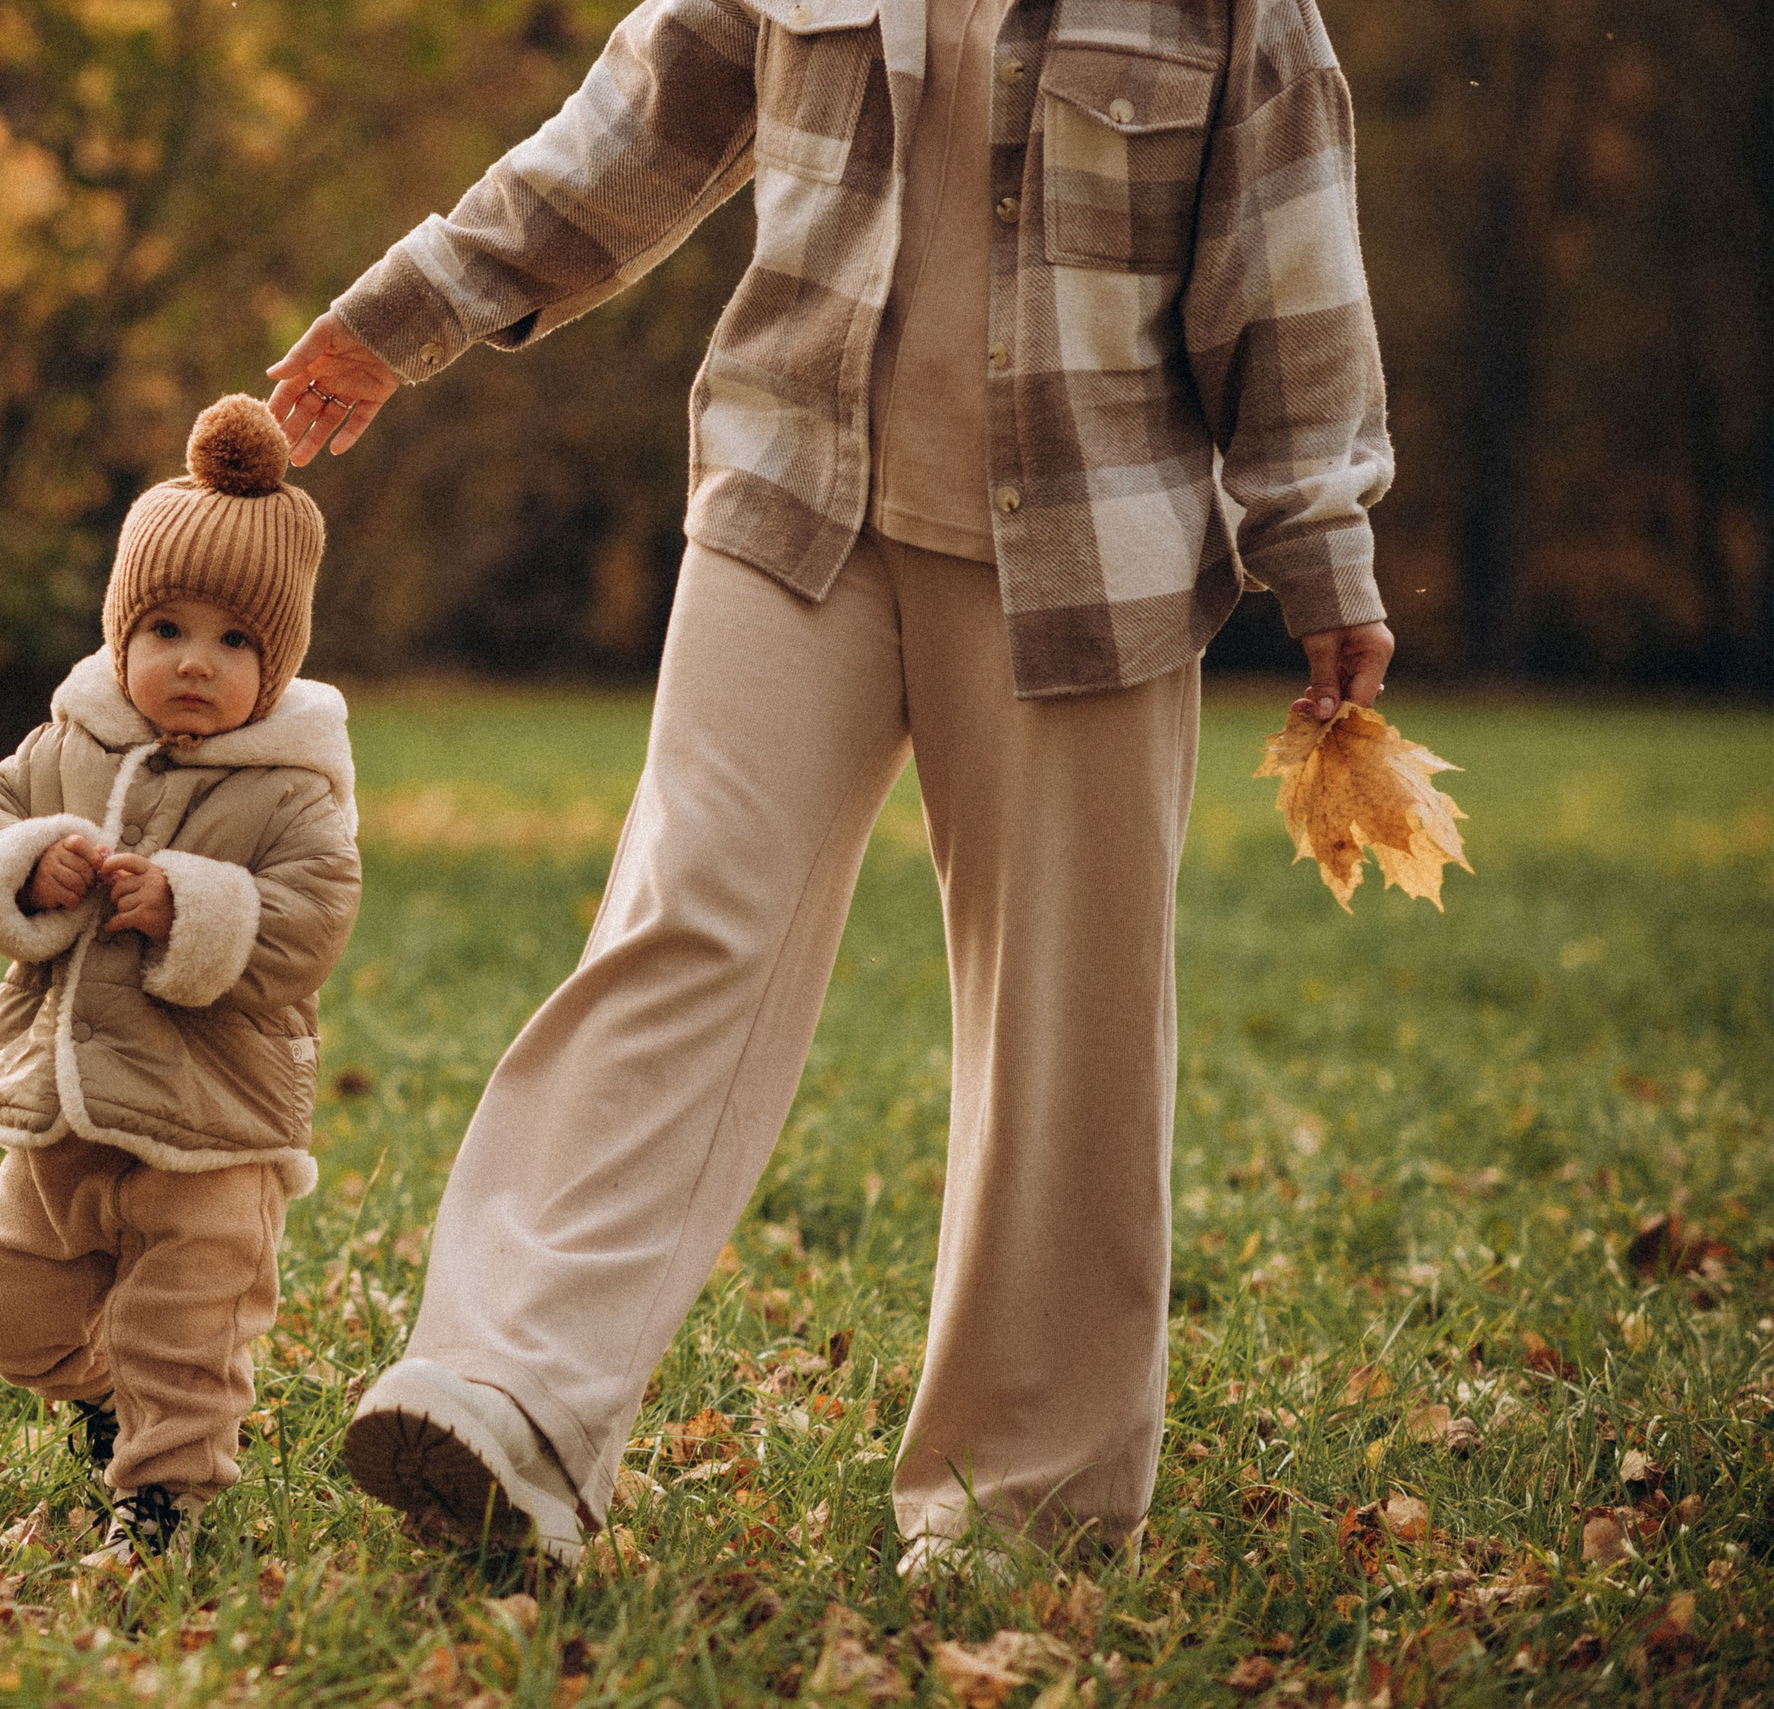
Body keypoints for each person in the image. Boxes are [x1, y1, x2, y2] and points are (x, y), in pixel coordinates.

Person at [270, 0, 1395, 1570]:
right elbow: (634, 130)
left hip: (1085, 552)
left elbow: (1286, 264)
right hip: (796, 500)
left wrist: (1320, 544)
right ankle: (508, 1393)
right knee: (681, 921)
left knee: (1066, 1030)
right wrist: (408, 312)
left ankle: (1029, 1506)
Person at [0, 396, 361, 1560]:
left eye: (235, 642)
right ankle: (107, 1393)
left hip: (214, 1123)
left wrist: (195, 902)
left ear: (277, 664)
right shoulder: (66, 741)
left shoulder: (293, 788)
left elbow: (311, 920)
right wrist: (26, 864)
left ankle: (165, 1492)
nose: (194, 662)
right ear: (121, 630)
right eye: (166, 626)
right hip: (67, 1102)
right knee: (4, 1301)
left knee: (187, 1323)